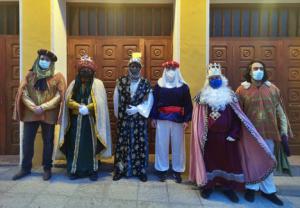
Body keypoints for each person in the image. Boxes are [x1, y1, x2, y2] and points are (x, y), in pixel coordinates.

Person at [189, 63, 276, 203]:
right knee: (209, 163)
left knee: (228, 163)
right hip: (209, 138)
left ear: (222, 79)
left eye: (217, 77)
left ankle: (228, 188)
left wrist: (234, 133)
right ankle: (208, 187)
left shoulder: (230, 96)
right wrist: (200, 135)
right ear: (208, 80)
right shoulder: (202, 97)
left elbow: (238, 117)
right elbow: (197, 118)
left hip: (227, 137)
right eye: (212, 78)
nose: (215, 80)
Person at [236, 60, 293, 206]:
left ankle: (269, 191)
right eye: (255, 68)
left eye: (261, 68)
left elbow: (280, 113)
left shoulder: (273, 89)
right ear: (249, 71)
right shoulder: (241, 90)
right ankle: (251, 188)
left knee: (268, 161)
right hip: (249, 135)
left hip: (269, 133)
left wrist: (284, 133)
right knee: (251, 162)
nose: (258, 70)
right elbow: (237, 113)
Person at [12, 49, 66, 181]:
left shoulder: (57, 77)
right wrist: (33, 107)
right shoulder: (30, 75)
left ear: (51, 63)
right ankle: (25, 168)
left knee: (48, 142)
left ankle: (47, 168)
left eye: (47, 60)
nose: (44, 62)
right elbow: (23, 93)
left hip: (49, 114)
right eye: (42, 59)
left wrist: (43, 107)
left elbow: (60, 96)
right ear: (38, 59)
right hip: (31, 114)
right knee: (27, 141)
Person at [57, 55, 112, 181]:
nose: (85, 71)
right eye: (83, 69)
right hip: (75, 122)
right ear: (79, 70)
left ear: (92, 70)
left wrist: (89, 108)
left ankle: (92, 170)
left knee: (91, 146)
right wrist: (78, 106)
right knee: (73, 146)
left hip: (91, 122)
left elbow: (101, 103)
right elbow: (68, 100)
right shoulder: (73, 83)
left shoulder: (98, 84)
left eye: (88, 69)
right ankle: (74, 170)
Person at [113, 53, 153, 182]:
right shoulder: (120, 81)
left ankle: (140, 170)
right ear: (128, 67)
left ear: (140, 68)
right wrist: (119, 114)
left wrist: (138, 109)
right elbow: (116, 99)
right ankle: (120, 169)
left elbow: (149, 101)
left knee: (139, 143)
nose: (134, 68)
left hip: (139, 120)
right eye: (132, 65)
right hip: (124, 119)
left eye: (136, 66)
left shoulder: (146, 83)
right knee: (122, 144)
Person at [150, 60, 192, 183]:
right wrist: (154, 117)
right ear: (165, 71)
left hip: (178, 119)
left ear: (177, 71)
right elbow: (154, 102)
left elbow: (188, 104)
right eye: (168, 70)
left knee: (178, 145)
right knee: (161, 144)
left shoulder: (184, 87)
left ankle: (177, 170)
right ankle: (162, 169)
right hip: (162, 118)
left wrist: (186, 119)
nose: (170, 72)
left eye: (173, 70)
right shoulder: (159, 85)